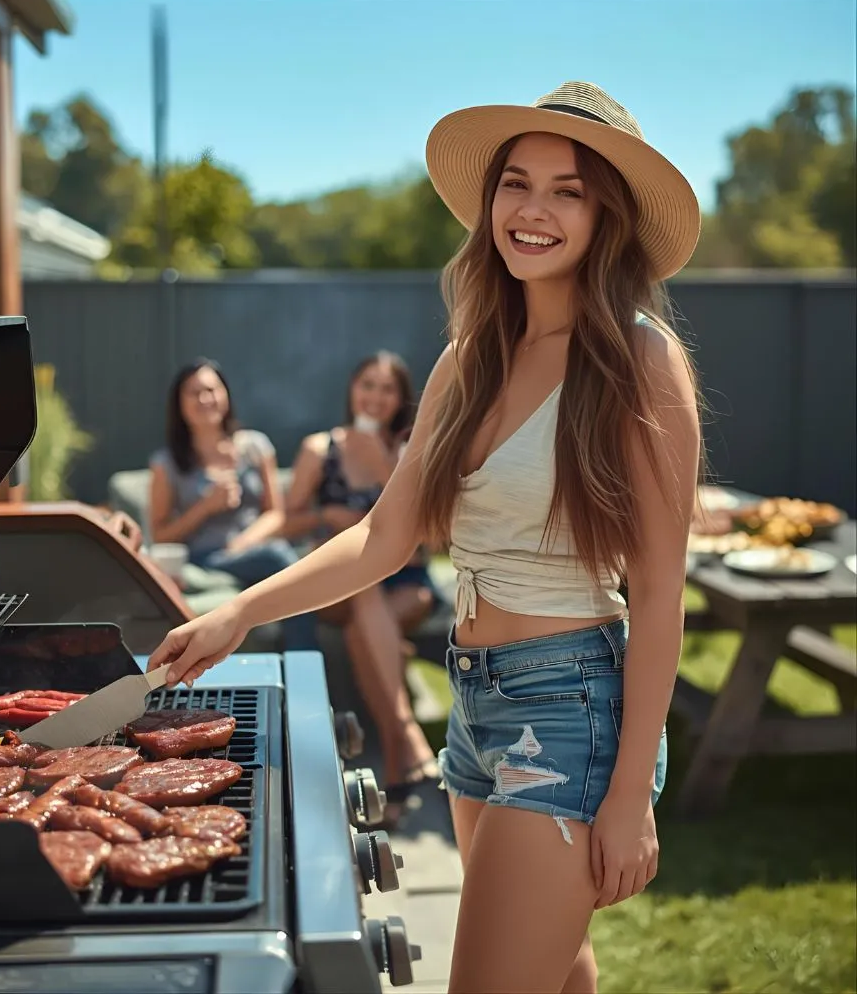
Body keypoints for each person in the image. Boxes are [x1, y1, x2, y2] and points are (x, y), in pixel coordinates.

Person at [149, 81, 702, 993]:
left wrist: (630, 793)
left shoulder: (640, 361)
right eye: (516, 183)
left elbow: (659, 589)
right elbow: (383, 536)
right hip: (475, 700)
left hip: (568, 708)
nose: (532, 210)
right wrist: (238, 613)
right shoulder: (467, 358)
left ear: (608, 216)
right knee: (559, 969)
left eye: (567, 191)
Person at [282, 351, 439, 821]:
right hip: (340, 584)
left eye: (387, 388)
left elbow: (429, 542)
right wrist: (329, 515)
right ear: (352, 389)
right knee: (363, 588)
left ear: (400, 399)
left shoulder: (412, 449)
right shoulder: (320, 449)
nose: (375, 396)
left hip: (404, 582)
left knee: (364, 625)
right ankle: (404, 742)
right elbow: (287, 521)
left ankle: (397, 764)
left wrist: (386, 468)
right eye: (367, 384)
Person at [149, 358, 317, 651]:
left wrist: (244, 543)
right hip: (204, 558)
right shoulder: (167, 464)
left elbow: (276, 514)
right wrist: (205, 507)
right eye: (194, 393)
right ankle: (305, 659)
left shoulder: (255, 447)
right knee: (280, 558)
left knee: (284, 557)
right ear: (179, 404)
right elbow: (160, 535)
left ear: (225, 395)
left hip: (253, 550)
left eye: (212, 390)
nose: (205, 399)